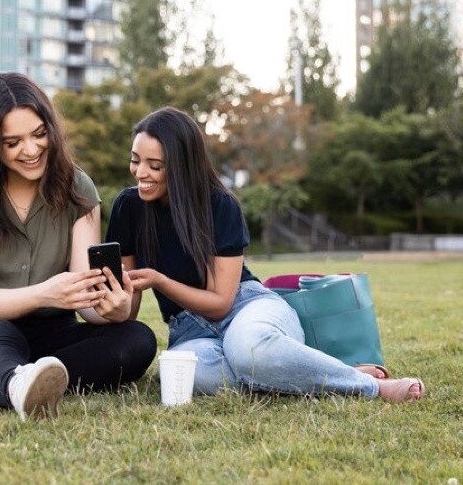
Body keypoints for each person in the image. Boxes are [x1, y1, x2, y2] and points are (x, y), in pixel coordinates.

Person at [105, 106, 424, 403]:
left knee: (250, 350)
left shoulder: (219, 205)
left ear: (181, 166)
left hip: (246, 306)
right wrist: (114, 300)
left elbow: (221, 304)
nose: (140, 173)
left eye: (155, 165)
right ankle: (301, 368)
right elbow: (128, 306)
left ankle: (366, 384)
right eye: (135, 160)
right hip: (189, 329)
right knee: (192, 376)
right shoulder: (128, 207)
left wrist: (160, 281)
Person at [0, 72, 157, 419]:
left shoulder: (77, 188)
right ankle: (14, 381)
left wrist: (110, 310)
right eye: (12, 143)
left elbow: (85, 296)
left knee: (136, 339)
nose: (31, 150)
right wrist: (44, 294)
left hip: (50, 330)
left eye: (40, 135)